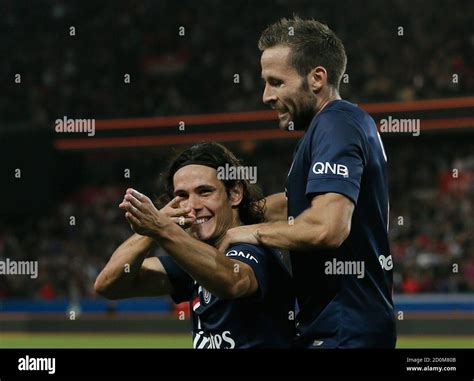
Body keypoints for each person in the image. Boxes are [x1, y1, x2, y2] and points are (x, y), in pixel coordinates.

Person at [218, 17, 396, 348]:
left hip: (345, 330)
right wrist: (225, 212)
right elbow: (291, 204)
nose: (265, 96)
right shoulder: (335, 125)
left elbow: (326, 227)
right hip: (342, 324)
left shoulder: (335, 124)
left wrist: (249, 232)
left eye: (275, 82)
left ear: (316, 78)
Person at [94, 142, 295, 348]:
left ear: (235, 194)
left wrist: (162, 229)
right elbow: (108, 284)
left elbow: (234, 282)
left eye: (205, 192)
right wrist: (151, 230)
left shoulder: (251, 247)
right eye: (182, 196)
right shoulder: (191, 267)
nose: (193, 206)